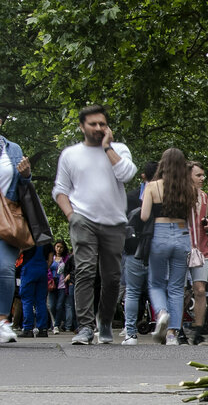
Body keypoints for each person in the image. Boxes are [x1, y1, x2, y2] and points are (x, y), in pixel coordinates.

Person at [53, 105, 138, 345]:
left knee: (112, 278)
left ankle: (106, 322)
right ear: (82, 127)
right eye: (93, 124)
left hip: (114, 224)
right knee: (85, 271)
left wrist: (108, 148)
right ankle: (85, 327)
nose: (99, 128)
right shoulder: (70, 155)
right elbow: (60, 190)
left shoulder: (118, 149)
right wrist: (72, 216)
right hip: (83, 220)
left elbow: (127, 174)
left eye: (102, 124)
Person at [141, 148, 197, 345]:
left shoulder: (152, 186)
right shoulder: (189, 188)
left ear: (162, 164)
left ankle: (162, 312)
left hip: (159, 234)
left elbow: (144, 216)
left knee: (156, 282)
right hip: (182, 236)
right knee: (176, 287)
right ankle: (173, 333)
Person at [0, 129, 32, 343]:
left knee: (4, 267)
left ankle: (3, 322)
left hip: (8, 216)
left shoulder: (13, 149)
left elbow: (23, 187)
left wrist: (26, 175)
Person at [121, 161, 157, 345]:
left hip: (132, 249)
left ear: (143, 175)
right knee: (158, 290)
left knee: (132, 292)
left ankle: (130, 333)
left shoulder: (129, 198)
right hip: (155, 248)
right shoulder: (163, 196)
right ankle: (163, 330)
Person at [184, 161, 208, 344]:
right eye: (198, 175)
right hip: (183, 247)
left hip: (201, 248)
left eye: (203, 175)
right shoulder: (179, 195)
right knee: (181, 291)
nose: (202, 178)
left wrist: (207, 226)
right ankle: (176, 329)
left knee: (200, 290)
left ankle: (198, 329)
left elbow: (203, 220)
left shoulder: (204, 197)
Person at [20, 242, 55, 337]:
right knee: (41, 301)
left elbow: (19, 252)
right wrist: (44, 268)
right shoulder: (47, 241)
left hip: (29, 269)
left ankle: (28, 329)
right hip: (42, 270)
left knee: (27, 300)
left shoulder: (27, 237)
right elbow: (51, 260)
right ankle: (43, 329)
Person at [48, 241, 71, 333]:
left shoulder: (66, 259)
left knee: (59, 306)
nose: (59, 249)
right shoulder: (51, 258)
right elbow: (47, 268)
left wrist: (68, 276)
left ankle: (56, 325)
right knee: (52, 306)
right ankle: (58, 321)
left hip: (62, 284)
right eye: (57, 247)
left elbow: (71, 269)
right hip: (52, 284)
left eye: (61, 247)